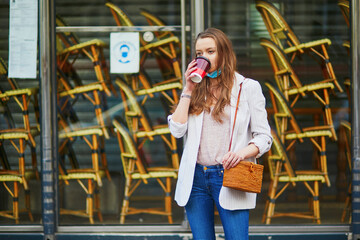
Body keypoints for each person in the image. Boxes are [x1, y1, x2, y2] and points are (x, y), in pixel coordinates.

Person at [167, 28, 272, 240]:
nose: (203, 57)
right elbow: (177, 130)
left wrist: (241, 153)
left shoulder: (247, 87)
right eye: (199, 53)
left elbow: (264, 137)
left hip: (229, 175)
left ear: (224, 53)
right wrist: (188, 89)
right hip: (196, 177)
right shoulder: (195, 89)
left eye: (210, 51)